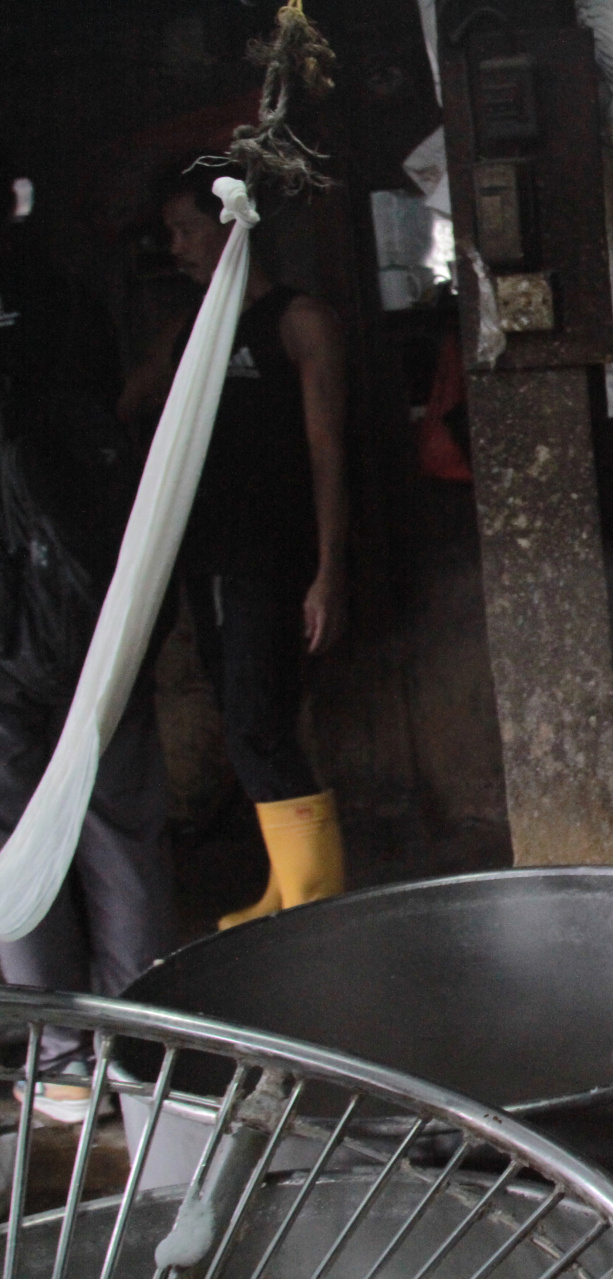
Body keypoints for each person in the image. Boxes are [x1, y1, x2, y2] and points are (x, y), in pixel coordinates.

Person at [121, 164, 350, 928]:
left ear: (234, 224)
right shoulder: (192, 330)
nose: (177, 246)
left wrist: (327, 572)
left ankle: (315, 903)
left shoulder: (298, 320)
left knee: (259, 718)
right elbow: (133, 398)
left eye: (187, 229)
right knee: (245, 717)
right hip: (210, 556)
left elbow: (327, 453)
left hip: (271, 557)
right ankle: (290, 889)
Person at [0, 149, 174, 1122]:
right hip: (99, 617)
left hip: (17, 641)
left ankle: (64, 1062)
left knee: (20, 841)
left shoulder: (58, 312)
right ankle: (146, 1043)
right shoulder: (68, 307)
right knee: (122, 831)